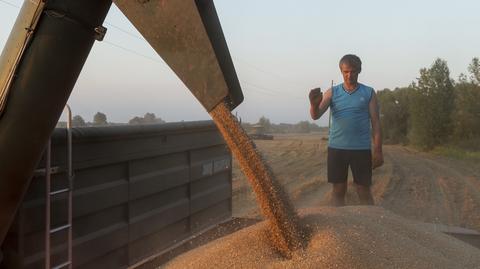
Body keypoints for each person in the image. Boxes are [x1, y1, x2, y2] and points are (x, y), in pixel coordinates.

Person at [309, 54, 383, 206]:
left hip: (361, 149)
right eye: (346, 72)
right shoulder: (332, 92)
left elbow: (376, 123)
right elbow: (316, 116)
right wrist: (313, 104)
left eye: (353, 71)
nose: (349, 75)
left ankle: (370, 225)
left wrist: (378, 150)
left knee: (363, 190)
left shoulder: (368, 92)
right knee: (338, 190)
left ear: (359, 71)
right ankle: (338, 227)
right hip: (337, 148)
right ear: (341, 71)